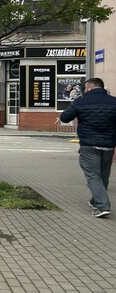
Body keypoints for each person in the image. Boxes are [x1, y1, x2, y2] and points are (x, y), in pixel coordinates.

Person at [60, 78, 116, 218]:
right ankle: (95, 200)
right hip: (109, 145)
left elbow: (65, 117)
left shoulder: (81, 101)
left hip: (89, 145)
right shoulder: (114, 101)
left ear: (90, 88)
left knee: (93, 176)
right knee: (103, 175)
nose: (84, 90)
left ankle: (103, 206)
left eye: (85, 88)